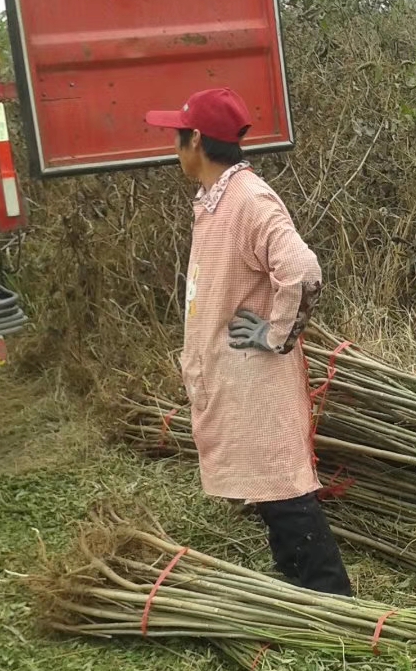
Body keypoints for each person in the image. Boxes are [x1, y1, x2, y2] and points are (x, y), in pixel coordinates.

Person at [146, 87, 354, 598]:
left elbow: (303, 271)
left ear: (196, 139)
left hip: (256, 378)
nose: (174, 148)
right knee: (263, 483)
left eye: (177, 137)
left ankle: (333, 598)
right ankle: (294, 578)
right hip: (233, 376)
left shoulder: (249, 200)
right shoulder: (218, 198)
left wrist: (276, 334)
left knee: (283, 485)